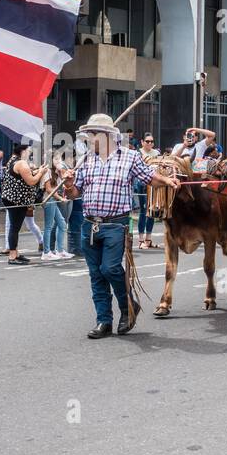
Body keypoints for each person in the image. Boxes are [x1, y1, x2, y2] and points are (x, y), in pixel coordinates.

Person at [59, 113, 181, 338]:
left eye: (91, 135)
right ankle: (103, 321)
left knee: (110, 268)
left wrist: (166, 181)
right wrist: (68, 184)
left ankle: (128, 306)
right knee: (96, 274)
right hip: (90, 225)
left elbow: (148, 178)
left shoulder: (130, 157)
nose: (88, 139)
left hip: (116, 224)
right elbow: (76, 192)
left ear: (105, 136)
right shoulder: (86, 160)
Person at [1, 142, 45, 264]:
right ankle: (12, 255)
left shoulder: (13, 160)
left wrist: (37, 171)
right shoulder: (21, 163)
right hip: (17, 200)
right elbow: (31, 181)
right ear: (23, 151)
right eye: (29, 151)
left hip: (13, 198)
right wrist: (41, 173)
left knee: (15, 227)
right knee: (14, 228)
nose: (30, 153)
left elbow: (25, 176)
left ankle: (16, 253)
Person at [40, 153, 73, 261]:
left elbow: (63, 184)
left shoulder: (56, 171)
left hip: (53, 199)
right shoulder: (47, 171)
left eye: (60, 158)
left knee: (62, 224)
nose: (59, 161)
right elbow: (49, 189)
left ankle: (60, 250)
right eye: (56, 159)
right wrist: (60, 198)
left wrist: (62, 172)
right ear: (50, 160)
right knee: (48, 226)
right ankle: (46, 252)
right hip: (48, 199)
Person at [136, 134, 161, 249]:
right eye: (147, 141)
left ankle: (148, 239)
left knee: (152, 211)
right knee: (143, 211)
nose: (150, 143)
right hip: (142, 184)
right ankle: (141, 240)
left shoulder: (156, 153)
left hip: (154, 184)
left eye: (152, 141)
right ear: (142, 142)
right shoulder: (138, 153)